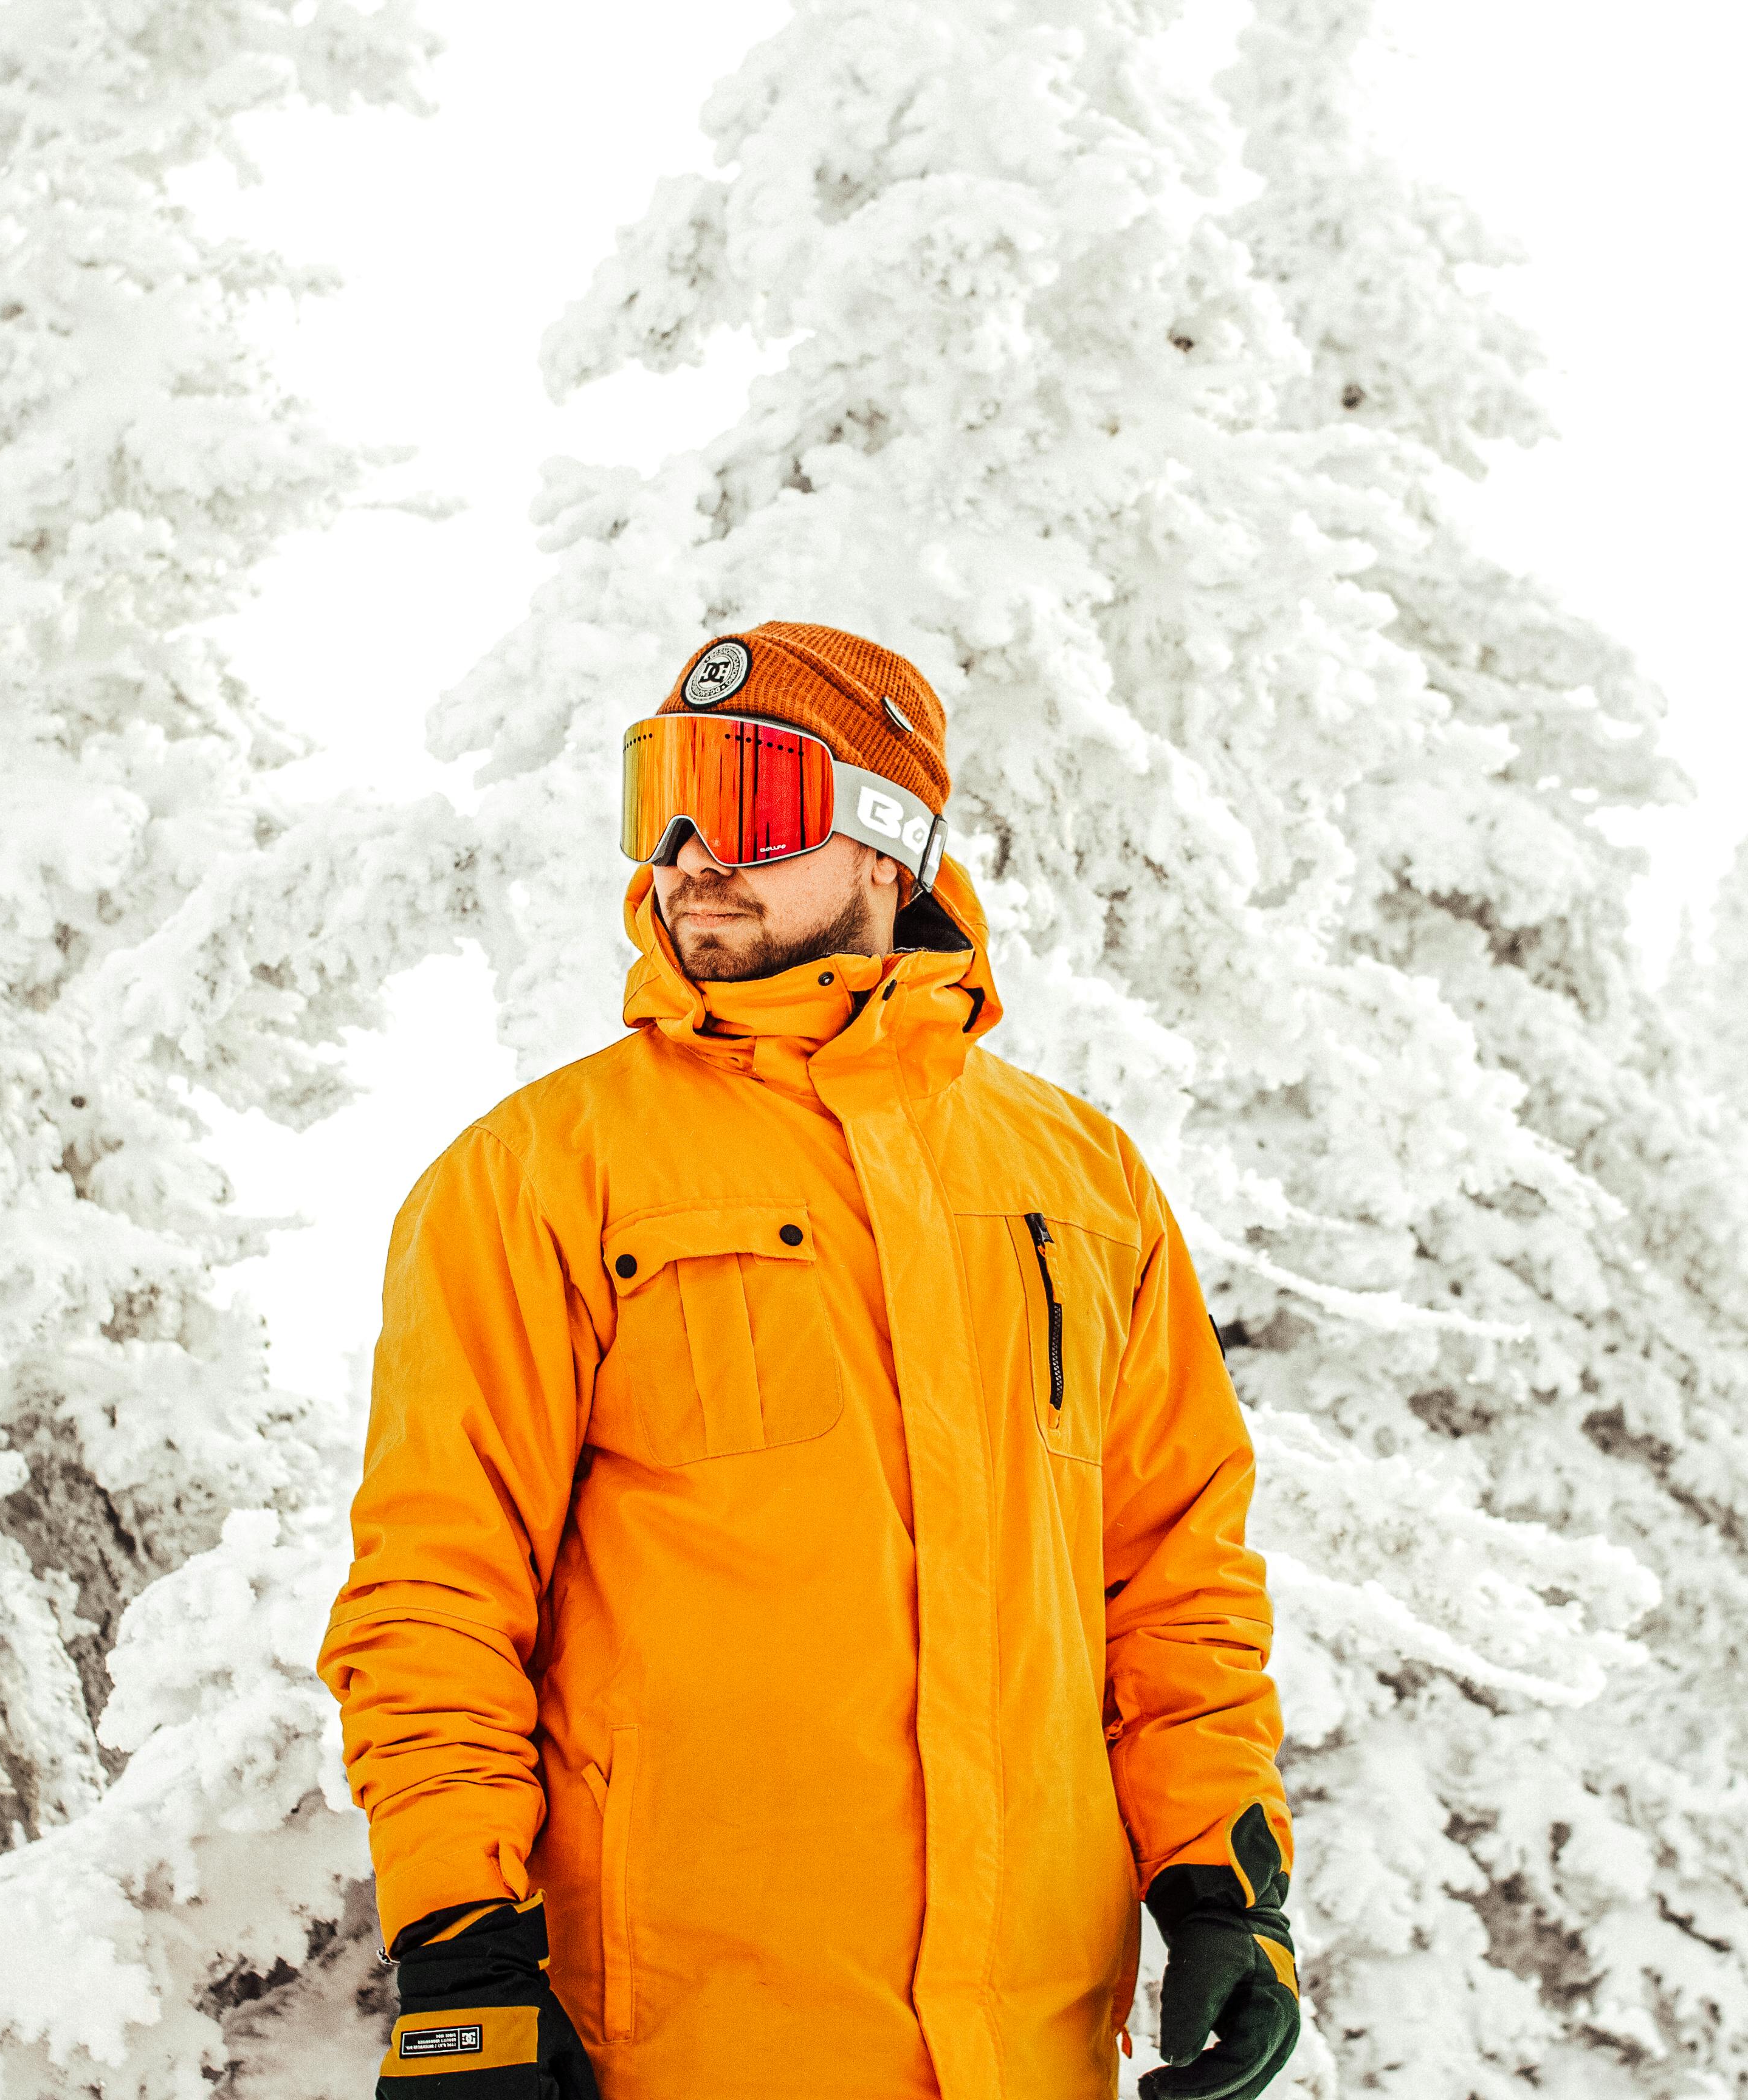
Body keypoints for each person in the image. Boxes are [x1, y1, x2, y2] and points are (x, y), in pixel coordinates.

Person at [318, 623, 1298, 2100]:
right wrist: (462, 1956)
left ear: (888, 843)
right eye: (666, 797)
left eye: (755, 796)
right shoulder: (538, 1174)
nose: (694, 850)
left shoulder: (1081, 1183)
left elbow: (1170, 1573)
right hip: (693, 2047)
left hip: (1029, 2047)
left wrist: (1225, 1888)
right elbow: (436, 1588)